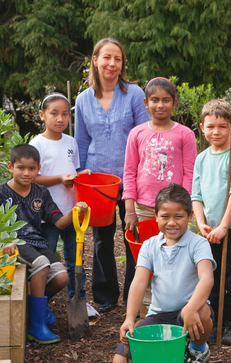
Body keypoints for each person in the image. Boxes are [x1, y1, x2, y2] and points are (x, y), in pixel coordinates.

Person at [75, 38, 150, 313]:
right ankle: (106, 295)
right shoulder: (82, 99)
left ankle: (134, 292)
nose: (112, 64)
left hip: (132, 177)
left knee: (134, 234)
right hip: (98, 181)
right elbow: (81, 141)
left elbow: (145, 135)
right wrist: (80, 173)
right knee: (102, 238)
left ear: (122, 64)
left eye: (117, 59)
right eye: (106, 57)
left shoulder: (133, 94)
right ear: (95, 60)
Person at [0, 144, 89, 344]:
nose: (27, 173)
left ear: (38, 169)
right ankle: (36, 324)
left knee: (61, 277)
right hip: (14, 242)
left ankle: (35, 309)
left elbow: (59, 222)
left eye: (32, 169)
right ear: (10, 167)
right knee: (42, 264)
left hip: (36, 241)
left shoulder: (41, 192)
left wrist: (76, 211)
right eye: (21, 168)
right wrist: (5, 240)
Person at [112, 183, 215, 363]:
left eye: (179, 216)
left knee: (201, 311)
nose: (172, 222)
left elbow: (207, 279)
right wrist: (129, 318)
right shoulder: (149, 245)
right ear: (156, 216)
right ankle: (170, 356)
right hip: (159, 316)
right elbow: (139, 283)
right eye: (165, 216)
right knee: (120, 362)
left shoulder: (198, 244)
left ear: (190, 216)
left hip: (188, 312)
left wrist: (191, 307)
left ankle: (198, 349)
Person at [122, 77, 197, 311]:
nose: (160, 105)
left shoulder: (185, 134)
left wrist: (185, 206)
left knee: (174, 258)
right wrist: (130, 209)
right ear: (146, 103)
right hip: (144, 208)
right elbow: (129, 172)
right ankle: (145, 313)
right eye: (155, 100)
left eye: (166, 100)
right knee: (146, 259)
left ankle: (176, 308)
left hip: (173, 210)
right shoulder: (136, 133)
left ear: (174, 103)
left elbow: (190, 172)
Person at [191, 99, 231, 345]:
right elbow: (196, 195)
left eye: (223, 127)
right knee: (211, 278)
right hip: (208, 230)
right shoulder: (202, 159)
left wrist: (224, 226)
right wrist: (201, 223)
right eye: (211, 126)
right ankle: (214, 321)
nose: (216, 132)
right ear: (202, 127)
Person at [29, 92, 92, 304]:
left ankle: (78, 299)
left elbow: (72, 172)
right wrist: (59, 178)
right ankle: (40, 301)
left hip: (71, 211)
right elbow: (32, 177)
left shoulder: (71, 142)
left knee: (76, 257)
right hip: (46, 214)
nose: (60, 119)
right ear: (42, 115)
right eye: (54, 113)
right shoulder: (37, 144)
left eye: (65, 114)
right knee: (45, 259)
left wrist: (81, 177)